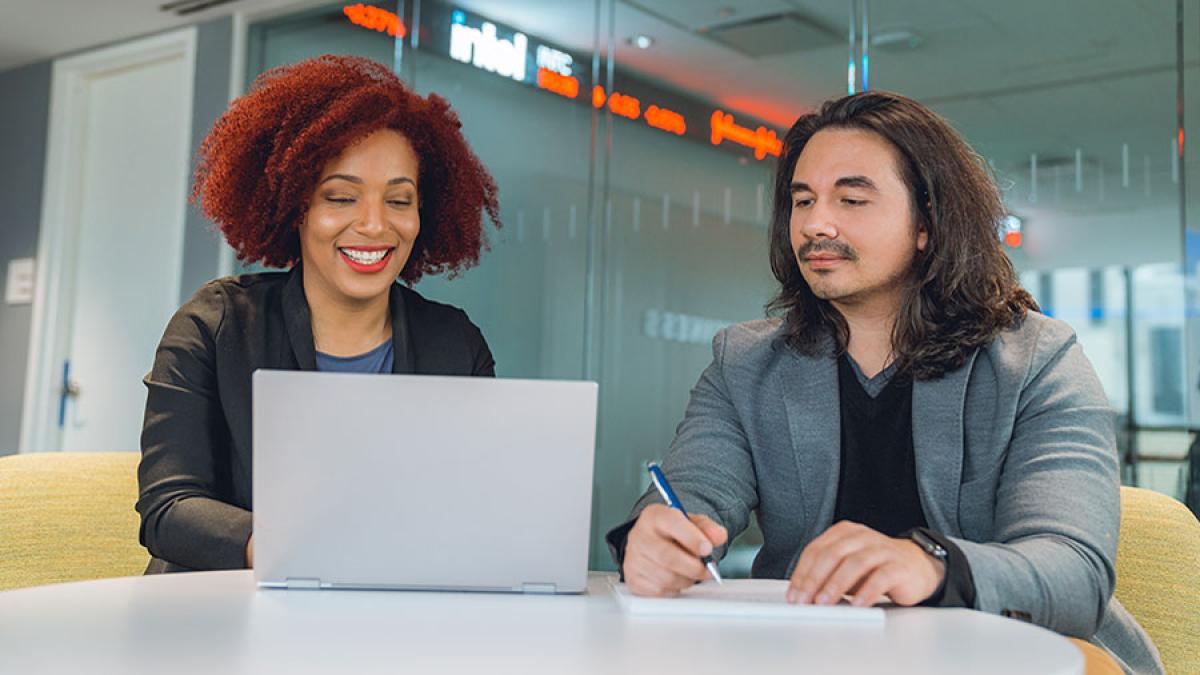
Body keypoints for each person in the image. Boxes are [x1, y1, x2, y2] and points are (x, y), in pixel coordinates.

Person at [607, 91, 1163, 674]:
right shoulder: (745, 363)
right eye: (803, 201)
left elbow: (1072, 570)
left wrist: (932, 564)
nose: (816, 224)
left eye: (851, 199)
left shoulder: (1038, 361)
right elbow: (691, 493)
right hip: (815, 657)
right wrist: (654, 536)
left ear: (927, 224)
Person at [137, 55, 500, 574]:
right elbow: (167, 510)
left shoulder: (456, 345)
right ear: (296, 206)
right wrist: (290, 548)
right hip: (222, 623)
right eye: (341, 196)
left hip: (392, 621)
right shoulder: (215, 327)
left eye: (399, 200)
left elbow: (481, 507)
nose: (375, 225)